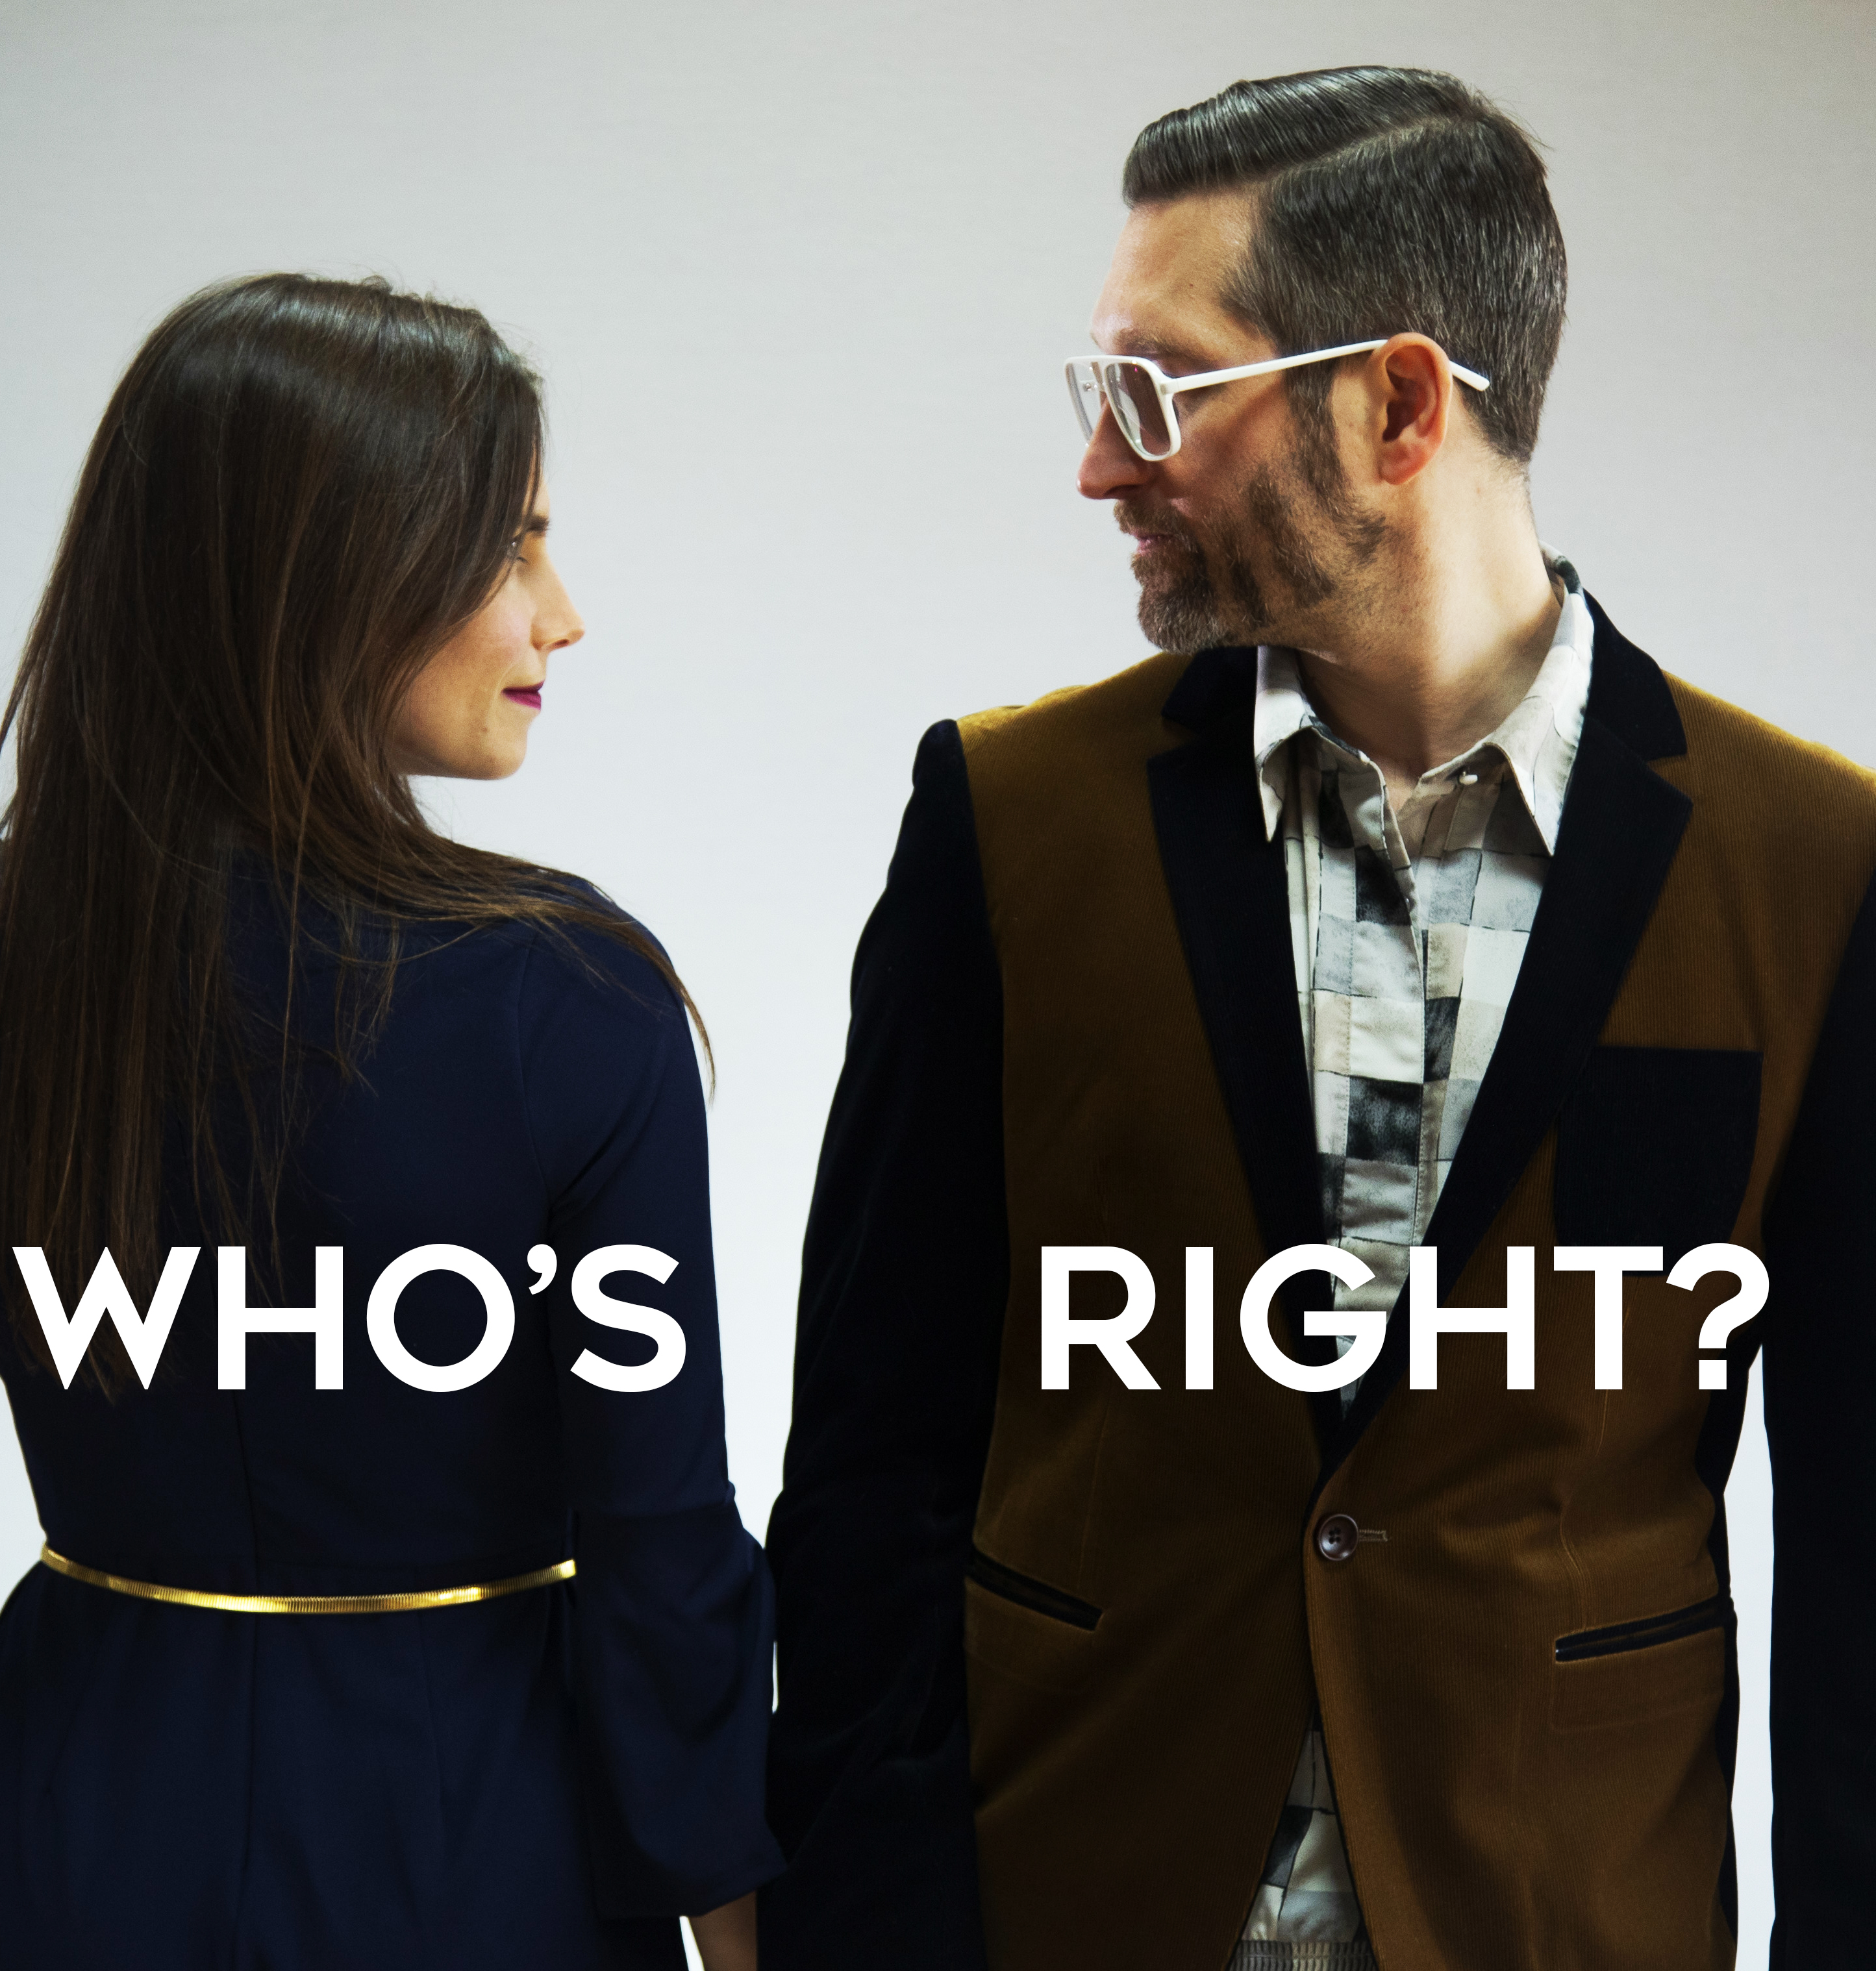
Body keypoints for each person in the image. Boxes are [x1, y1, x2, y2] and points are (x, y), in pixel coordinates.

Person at [761, 66, 1875, 1970]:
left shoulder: (1813, 864)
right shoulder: (1005, 820)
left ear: (1401, 405)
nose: (1100, 467)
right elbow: (876, 1451)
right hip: (1082, 1892)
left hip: (1554, 1911)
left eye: (1160, 393)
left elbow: (1858, 1541)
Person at [0, 274, 777, 1970]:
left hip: (70, 1824)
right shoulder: (567, 992)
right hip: (481, 1845)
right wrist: (742, 1931)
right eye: (511, 548)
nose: (563, 616)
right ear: (334, 573)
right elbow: (659, 1541)